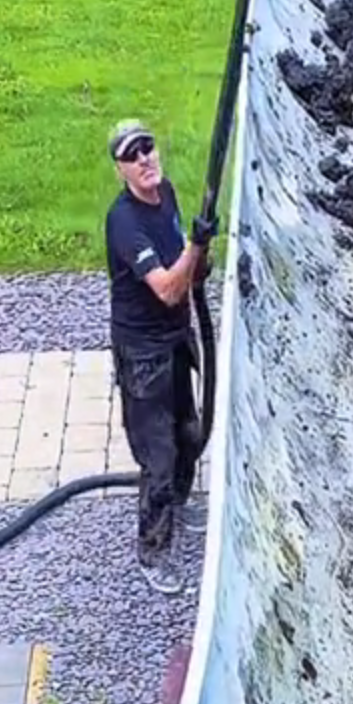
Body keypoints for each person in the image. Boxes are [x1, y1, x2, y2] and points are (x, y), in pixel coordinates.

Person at [105, 120, 218, 595]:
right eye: (133, 155)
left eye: (148, 147)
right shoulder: (125, 223)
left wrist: (199, 252)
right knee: (159, 453)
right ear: (121, 169)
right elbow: (170, 289)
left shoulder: (166, 193)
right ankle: (153, 551)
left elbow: (186, 266)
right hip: (144, 352)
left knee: (189, 431)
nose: (145, 159)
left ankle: (180, 500)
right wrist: (196, 245)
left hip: (174, 340)